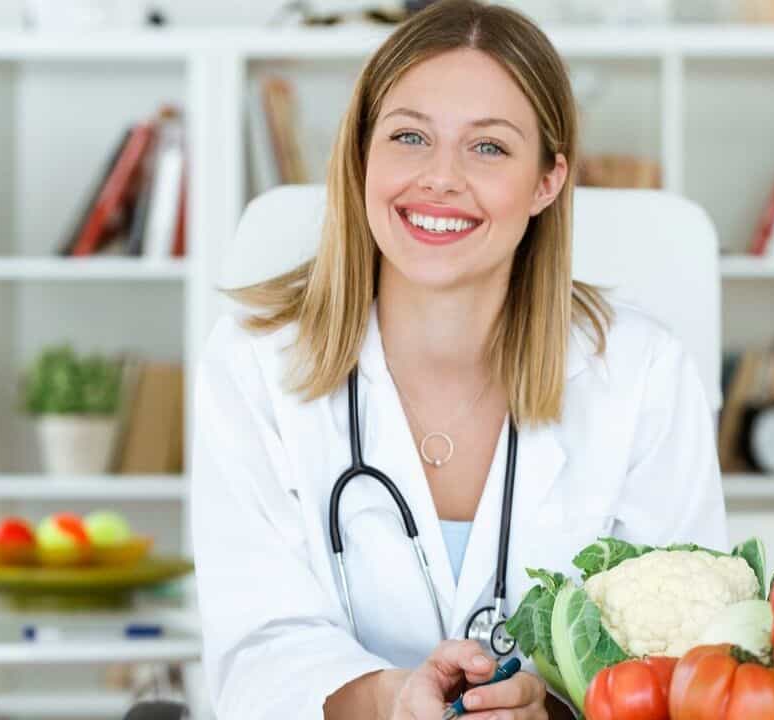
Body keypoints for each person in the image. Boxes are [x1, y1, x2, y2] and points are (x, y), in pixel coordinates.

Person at [190, 1, 727, 717]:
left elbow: (688, 660)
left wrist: (555, 708)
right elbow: (255, 652)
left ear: (547, 181)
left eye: (488, 147)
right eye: (410, 136)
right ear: (360, 157)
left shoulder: (642, 374)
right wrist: (392, 697)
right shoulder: (254, 363)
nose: (440, 179)